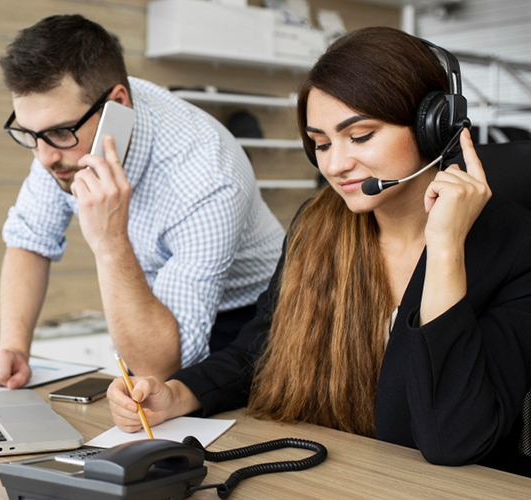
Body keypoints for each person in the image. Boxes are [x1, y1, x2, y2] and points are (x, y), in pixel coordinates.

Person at [108, 27, 531, 476]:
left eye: (360, 136)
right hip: (330, 474)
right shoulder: (318, 226)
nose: (335, 164)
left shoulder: (513, 246)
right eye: (322, 143)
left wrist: (445, 248)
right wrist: (178, 394)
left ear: (433, 127)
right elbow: (260, 349)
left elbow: (454, 437)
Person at [0, 15, 285, 387]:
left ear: (117, 105)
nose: (43, 158)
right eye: (30, 135)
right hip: (155, 304)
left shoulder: (208, 174)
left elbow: (160, 368)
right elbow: (30, 240)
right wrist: (13, 348)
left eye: (59, 132)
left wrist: (109, 241)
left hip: (252, 314)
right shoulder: (60, 143)